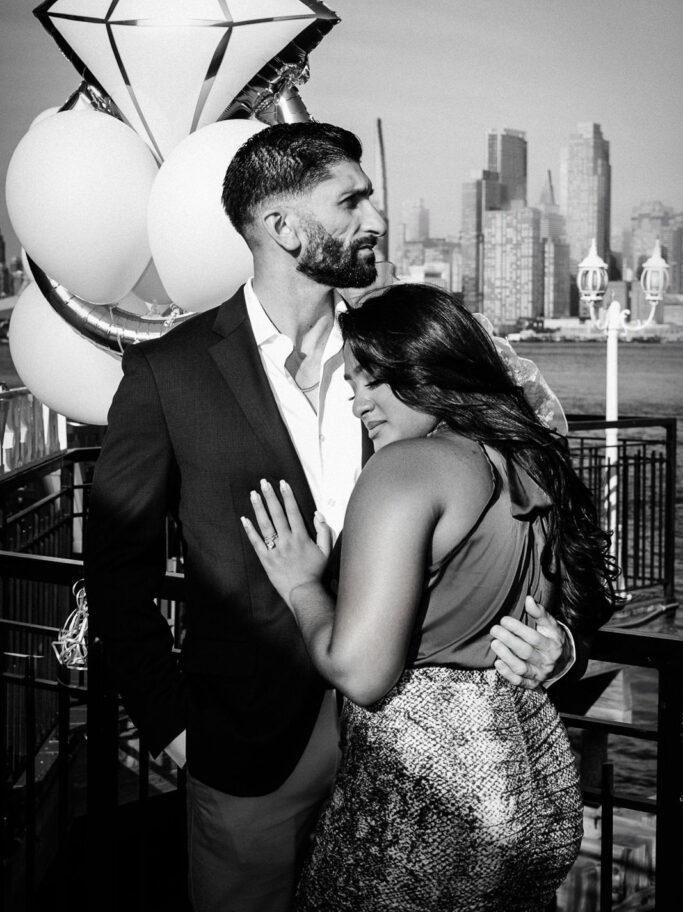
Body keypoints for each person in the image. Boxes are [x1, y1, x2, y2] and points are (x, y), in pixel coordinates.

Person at [84, 123, 576, 912]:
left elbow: (531, 503)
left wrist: (559, 640)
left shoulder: (406, 359)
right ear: (282, 228)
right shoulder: (167, 373)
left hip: (418, 763)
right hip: (248, 751)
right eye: (350, 201)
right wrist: (175, 729)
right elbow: (115, 571)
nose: (374, 221)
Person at [242, 283, 619, 912]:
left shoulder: (405, 470)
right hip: (533, 784)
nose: (356, 399)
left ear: (427, 369)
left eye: (371, 380)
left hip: (426, 804)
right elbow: (580, 610)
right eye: (352, 382)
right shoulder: (533, 461)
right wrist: (566, 652)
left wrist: (302, 585)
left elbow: (361, 673)